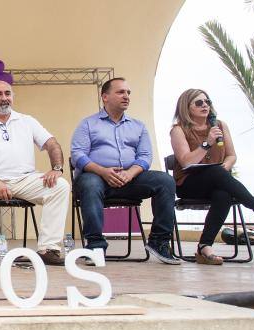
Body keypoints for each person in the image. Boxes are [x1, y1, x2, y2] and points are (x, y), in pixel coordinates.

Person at [71, 77, 180, 265]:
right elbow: (78, 155)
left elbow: (145, 156)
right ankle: (95, 246)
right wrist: (103, 171)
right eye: (121, 92)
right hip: (96, 178)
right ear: (105, 97)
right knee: (89, 183)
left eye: (128, 92)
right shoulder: (88, 124)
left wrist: (130, 173)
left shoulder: (138, 126)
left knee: (165, 181)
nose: (126, 96)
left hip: (130, 178)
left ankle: (159, 241)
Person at [170, 89, 254, 265]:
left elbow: (231, 155)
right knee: (217, 174)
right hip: (189, 183)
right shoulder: (178, 130)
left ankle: (204, 247)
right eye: (199, 102)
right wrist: (207, 143)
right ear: (186, 107)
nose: (205, 105)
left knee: (223, 194)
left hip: (216, 180)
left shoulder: (220, 126)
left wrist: (226, 166)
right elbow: (185, 162)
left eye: (207, 101)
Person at [0, 80, 69, 266]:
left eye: (7, 93)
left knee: (60, 186)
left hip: (26, 179)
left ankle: (48, 249)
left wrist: (56, 168)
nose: (4, 98)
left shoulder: (27, 121)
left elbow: (52, 144)